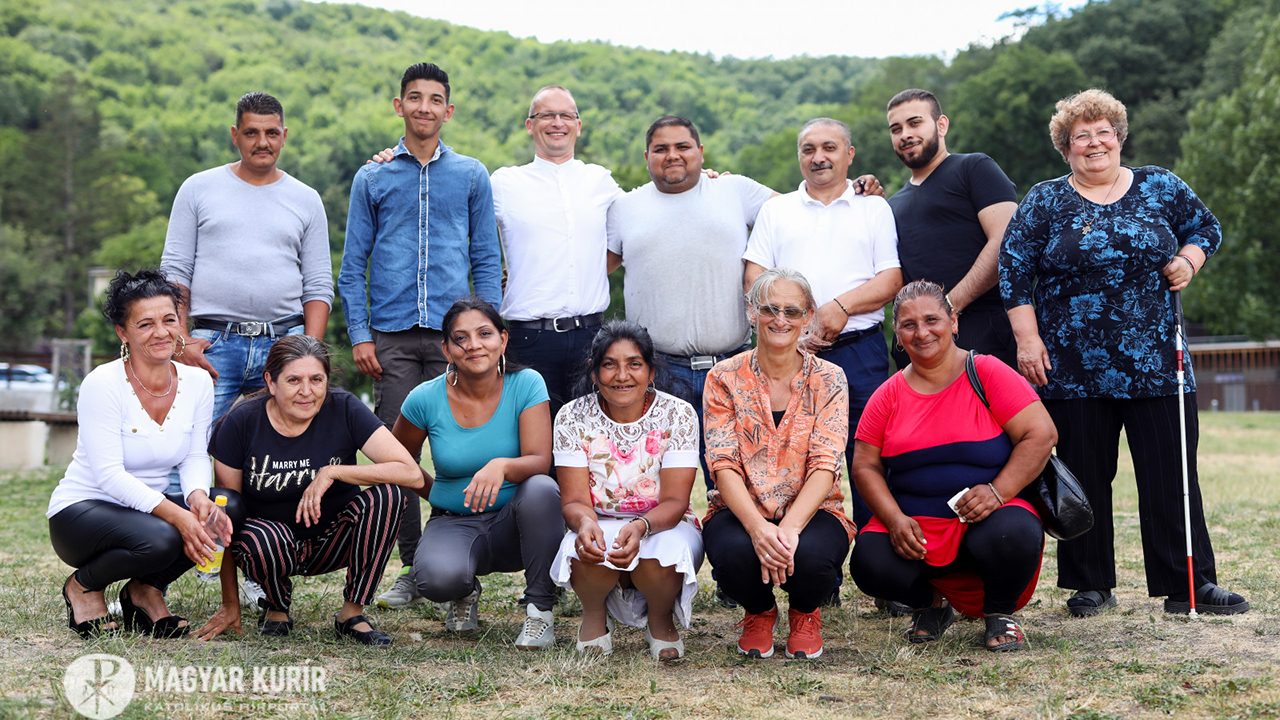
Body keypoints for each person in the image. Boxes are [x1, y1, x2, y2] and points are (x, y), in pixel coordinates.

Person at [999, 87, 1249, 617]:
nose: (1093, 143)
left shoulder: (1160, 185)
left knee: (1171, 475)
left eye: (1102, 133)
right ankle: (1090, 584)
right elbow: (1013, 271)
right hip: (1071, 365)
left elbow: (1207, 227)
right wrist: (1027, 339)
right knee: (1086, 475)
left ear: (1119, 137)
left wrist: (1190, 258)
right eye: (1080, 137)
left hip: (1159, 361)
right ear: (1065, 149)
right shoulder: (1044, 200)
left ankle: (1191, 584)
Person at [339, 62, 502, 609]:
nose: (425, 108)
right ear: (399, 105)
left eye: (436, 100)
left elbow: (486, 257)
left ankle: (461, 567)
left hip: (458, 341)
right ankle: (414, 565)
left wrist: (491, 336)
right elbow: (352, 263)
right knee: (399, 460)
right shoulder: (373, 176)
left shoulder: (472, 175)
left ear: (448, 111)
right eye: (415, 98)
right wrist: (360, 333)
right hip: (390, 338)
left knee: (463, 451)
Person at [849, 280, 1057, 652]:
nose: (922, 332)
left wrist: (998, 492)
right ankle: (930, 606)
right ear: (897, 334)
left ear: (954, 321)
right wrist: (895, 520)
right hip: (918, 530)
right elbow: (865, 464)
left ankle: (1000, 613)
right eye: (909, 324)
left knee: (1015, 532)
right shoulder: (888, 394)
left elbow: (1041, 435)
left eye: (932, 319)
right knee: (868, 560)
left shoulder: (987, 372)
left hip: (990, 518)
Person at [47, 269, 241, 639]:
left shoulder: (198, 381)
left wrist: (197, 497)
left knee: (225, 508)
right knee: (164, 536)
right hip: (84, 511)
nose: (161, 332)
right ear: (124, 333)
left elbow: (194, 455)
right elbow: (109, 475)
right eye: (145, 324)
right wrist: (181, 517)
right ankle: (83, 586)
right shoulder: (102, 383)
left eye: (169, 320)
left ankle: (144, 590)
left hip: (148, 513)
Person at [195, 335, 422, 646]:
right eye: (293, 380)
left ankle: (351, 614)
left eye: (317, 379)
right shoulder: (242, 422)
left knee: (390, 496)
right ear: (271, 383)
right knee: (258, 537)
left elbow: (409, 472)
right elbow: (226, 519)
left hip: (333, 539)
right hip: (270, 546)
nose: (306, 391)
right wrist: (229, 605)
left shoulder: (343, 407)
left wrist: (334, 471)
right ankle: (276, 608)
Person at [744, 117, 902, 530]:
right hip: (790, 356)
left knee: (868, 456)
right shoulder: (776, 210)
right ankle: (813, 567)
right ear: (799, 157)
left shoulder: (874, 207)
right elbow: (754, 278)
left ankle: (876, 557)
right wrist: (788, 328)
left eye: (829, 148)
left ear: (849, 155)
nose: (819, 157)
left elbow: (890, 278)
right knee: (797, 459)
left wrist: (838, 308)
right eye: (809, 149)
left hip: (860, 351)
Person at [606, 115, 776, 489]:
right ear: (646, 155)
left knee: (745, 488)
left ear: (700, 152)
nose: (673, 155)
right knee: (649, 489)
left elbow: (801, 214)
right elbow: (588, 269)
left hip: (734, 367)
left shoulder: (735, 191)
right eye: (661, 149)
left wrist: (857, 191)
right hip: (657, 373)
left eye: (682, 146)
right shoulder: (624, 207)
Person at [391, 297, 562, 649]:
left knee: (543, 488)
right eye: (461, 338)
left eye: (484, 333)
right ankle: (464, 590)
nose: (473, 345)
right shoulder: (424, 398)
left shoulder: (527, 384)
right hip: (454, 521)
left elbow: (539, 460)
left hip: (516, 522)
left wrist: (502, 466)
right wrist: (435, 492)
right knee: (436, 580)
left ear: (503, 339)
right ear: (447, 349)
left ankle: (539, 611)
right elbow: (398, 460)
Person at [702, 268, 853, 660]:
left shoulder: (830, 379)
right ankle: (759, 612)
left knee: (813, 557)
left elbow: (826, 463)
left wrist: (786, 530)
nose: (780, 319)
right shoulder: (723, 378)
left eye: (791, 310)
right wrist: (757, 529)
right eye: (770, 309)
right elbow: (723, 463)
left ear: (808, 315)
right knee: (734, 554)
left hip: (812, 509)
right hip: (741, 509)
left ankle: (805, 612)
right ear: (752, 313)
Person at [161, 90, 332, 425]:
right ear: (235, 136)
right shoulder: (198, 189)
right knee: (186, 440)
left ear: (284, 136)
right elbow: (175, 271)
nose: (262, 142)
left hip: (285, 345)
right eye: (252, 133)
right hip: (211, 344)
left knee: (282, 449)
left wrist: (309, 351)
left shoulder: (307, 199)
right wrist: (180, 341)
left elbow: (318, 285)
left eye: (271, 133)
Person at [551, 321, 703, 660]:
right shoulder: (571, 417)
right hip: (597, 518)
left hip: (664, 522)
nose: (622, 375)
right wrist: (585, 524)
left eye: (634, 364)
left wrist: (640, 526)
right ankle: (593, 613)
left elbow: (677, 501)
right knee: (587, 546)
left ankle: (660, 618)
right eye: (609, 364)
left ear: (651, 372)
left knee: (659, 553)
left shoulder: (678, 414)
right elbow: (575, 500)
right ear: (594, 373)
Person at [492, 85, 624, 420]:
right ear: (529, 124)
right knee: (534, 445)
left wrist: (704, 179)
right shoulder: (505, 183)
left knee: (591, 443)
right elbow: (460, 231)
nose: (557, 122)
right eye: (547, 115)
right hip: (529, 339)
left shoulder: (600, 180)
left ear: (578, 126)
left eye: (566, 115)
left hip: (592, 338)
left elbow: (638, 227)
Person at [885, 89, 1019, 368]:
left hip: (984, 330)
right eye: (896, 129)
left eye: (915, 123)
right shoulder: (891, 205)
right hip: (920, 342)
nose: (905, 134)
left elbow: (1008, 243)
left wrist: (948, 307)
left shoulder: (974, 168)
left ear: (941, 125)